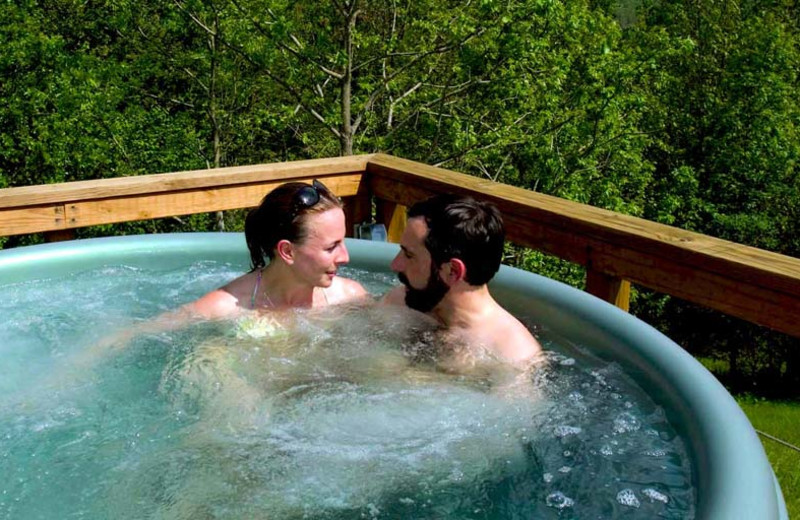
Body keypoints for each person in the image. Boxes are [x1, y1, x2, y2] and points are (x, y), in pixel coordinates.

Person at [383, 194, 542, 363]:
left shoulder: (513, 355)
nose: (395, 264)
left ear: (453, 271)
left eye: (409, 255)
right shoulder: (399, 302)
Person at [186, 179, 368, 319]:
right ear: (288, 252)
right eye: (331, 247)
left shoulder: (350, 298)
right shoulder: (224, 307)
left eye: (342, 242)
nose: (345, 257)